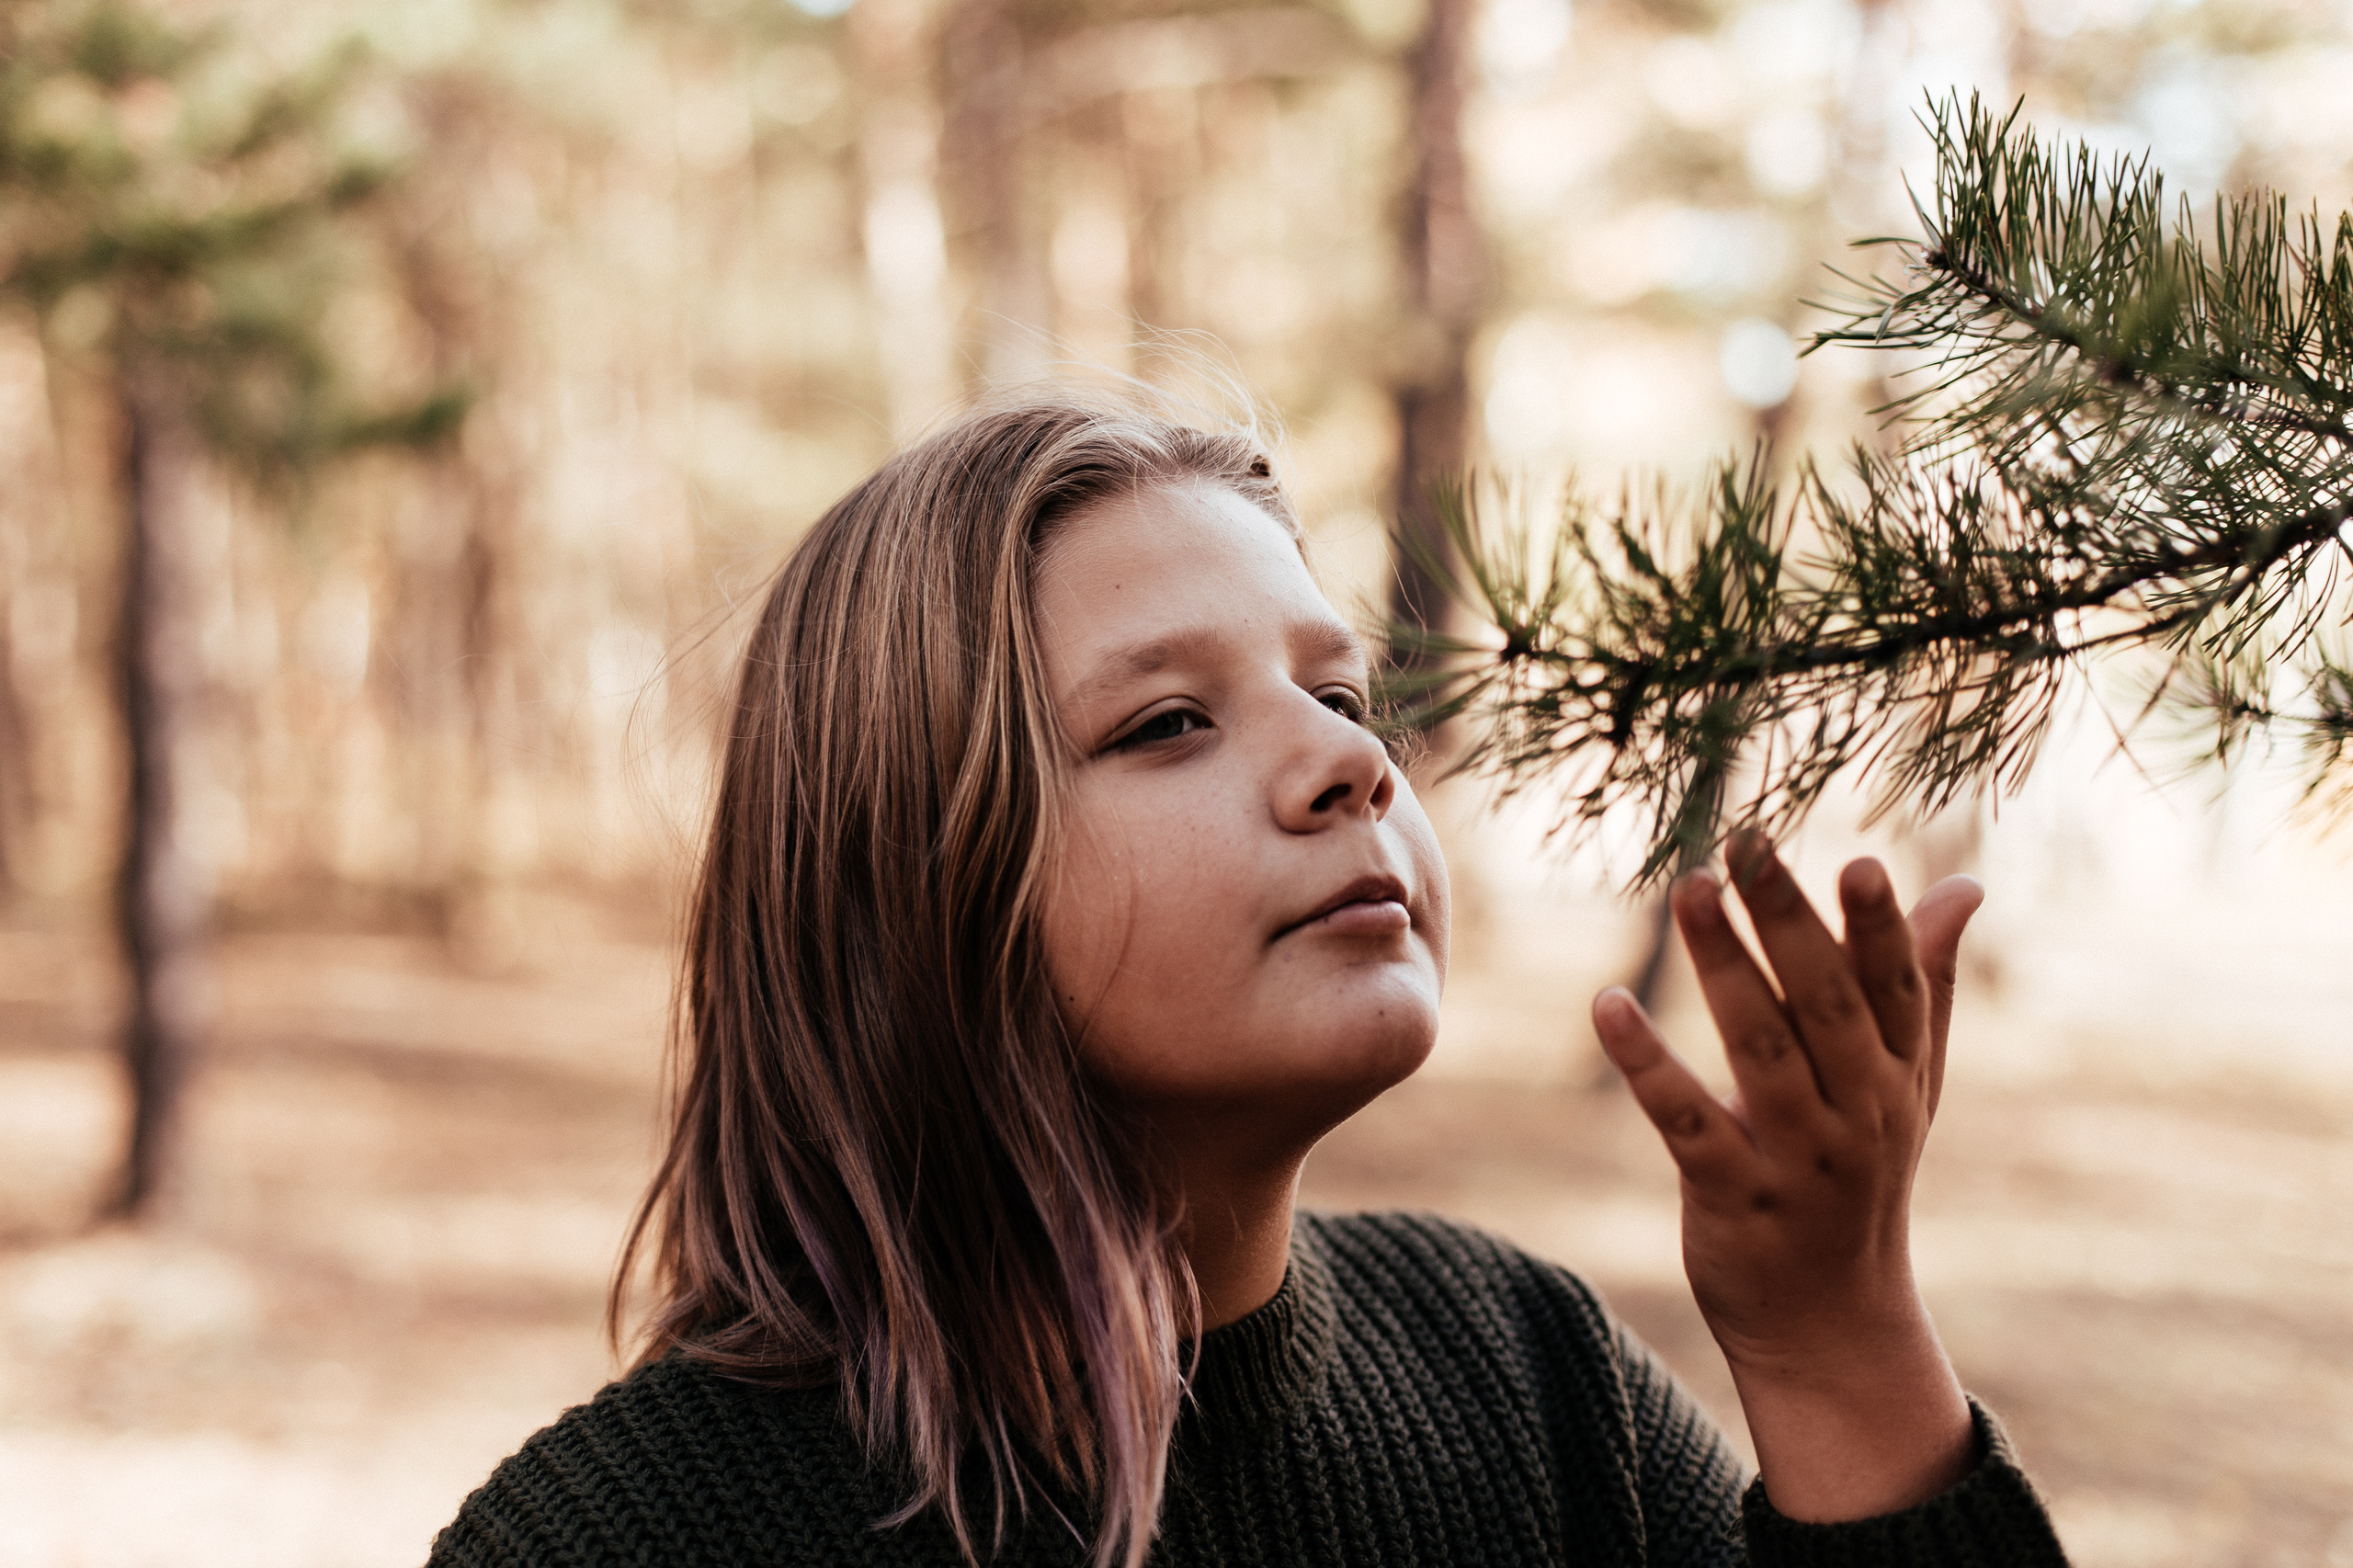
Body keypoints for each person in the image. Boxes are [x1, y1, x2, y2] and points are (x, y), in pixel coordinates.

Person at [428, 393, 2069, 1567]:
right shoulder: (616, 1538)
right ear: (911, 883)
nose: (1352, 763)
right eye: (1167, 723)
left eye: (1340, 693)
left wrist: (1835, 1337)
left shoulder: (1528, 1375)